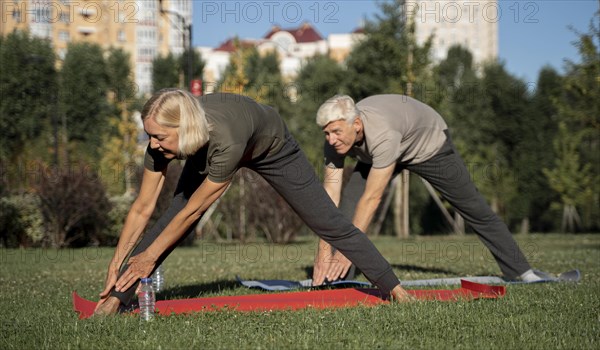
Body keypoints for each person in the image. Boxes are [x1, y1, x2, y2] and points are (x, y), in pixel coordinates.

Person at [94, 89, 411, 315]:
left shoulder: (226, 139)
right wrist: (116, 262)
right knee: (168, 216)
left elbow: (195, 211)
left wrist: (148, 257)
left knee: (327, 220)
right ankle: (115, 301)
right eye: (149, 135)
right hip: (215, 141)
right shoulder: (163, 143)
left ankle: (395, 288)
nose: (152, 144)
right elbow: (142, 207)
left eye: (160, 137)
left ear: (184, 128)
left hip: (272, 147)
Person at [311, 94, 543, 286]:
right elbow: (329, 197)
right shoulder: (333, 140)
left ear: (357, 125)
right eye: (327, 133)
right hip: (381, 152)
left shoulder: (383, 133)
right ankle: (338, 280)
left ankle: (521, 271)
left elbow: (372, 198)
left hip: (429, 144)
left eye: (337, 132)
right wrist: (323, 251)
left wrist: (345, 251)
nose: (331, 139)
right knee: (349, 206)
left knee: (473, 206)